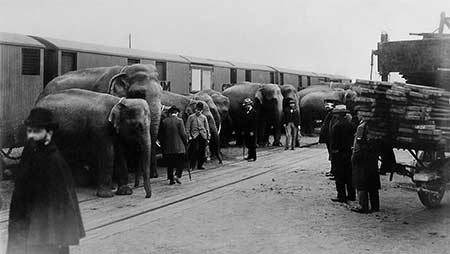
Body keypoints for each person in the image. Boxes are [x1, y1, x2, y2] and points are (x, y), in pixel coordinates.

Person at [7, 108, 85, 254]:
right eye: (29, 131)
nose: (30, 136)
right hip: (24, 223)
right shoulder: (30, 152)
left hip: (47, 231)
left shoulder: (54, 161)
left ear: (49, 133)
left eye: (36, 131)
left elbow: (64, 203)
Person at [351, 120, 380, 213]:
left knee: (361, 183)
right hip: (373, 158)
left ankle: (363, 206)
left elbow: (358, 146)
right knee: (373, 184)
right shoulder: (377, 126)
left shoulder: (361, 127)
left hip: (362, 159)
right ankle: (375, 206)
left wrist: (354, 158)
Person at [329, 105, 356, 203]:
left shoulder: (337, 126)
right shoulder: (351, 125)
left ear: (338, 115)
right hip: (349, 153)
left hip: (339, 154)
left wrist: (333, 152)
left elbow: (334, 142)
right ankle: (352, 195)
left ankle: (341, 196)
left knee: (339, 176)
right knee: (349, 175)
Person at [160, 106, 188, 185]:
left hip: (168, 147)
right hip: (179, 147)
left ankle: (171, 179)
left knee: (170, 164)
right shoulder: (180, 121)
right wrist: (186, 141)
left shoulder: (164, 121)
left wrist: (163, 145)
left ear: (169, 113)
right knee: (180, 162)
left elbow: (162, 135)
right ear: (177, 113)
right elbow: (183, 134)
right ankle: (177, 175)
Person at [186, 102, 210, 170]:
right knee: (194, 150)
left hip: (203, 135)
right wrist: (189, 136)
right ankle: (192, 166)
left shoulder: (204, 117)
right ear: (195, 109)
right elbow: (187, 128)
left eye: (200, 110)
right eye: (197, 109)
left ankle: (200, 165)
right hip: (194, 136)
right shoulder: (191, 117)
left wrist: (208, 137)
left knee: (202, 151)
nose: (198, 111)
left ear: (201, 110)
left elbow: (207, 128)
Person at [319, 99, 336, 178]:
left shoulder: (332, 114)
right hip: (328, 138)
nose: (326, 106)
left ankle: (334, 171)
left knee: (333, 155)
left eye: (328, 105)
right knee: (331, 154)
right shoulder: (329, 114)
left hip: (331, 138)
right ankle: (333, 170)